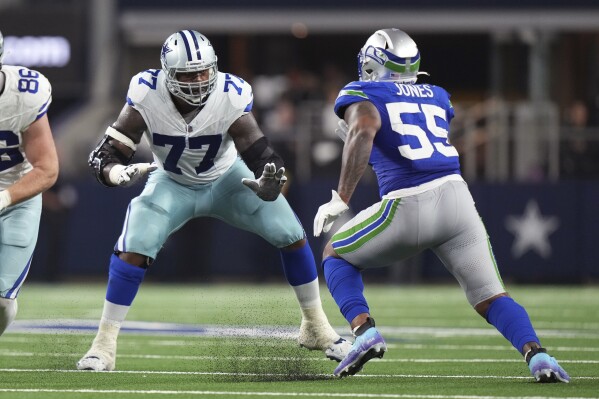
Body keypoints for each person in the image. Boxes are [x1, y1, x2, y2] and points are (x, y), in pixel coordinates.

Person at [77, 30, 350, 371]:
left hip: (226, 179)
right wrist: (115, 173)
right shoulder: (146, 92)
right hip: (171, 182)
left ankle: (316, 327)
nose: (198, 81)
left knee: (292, 235)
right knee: (134, 244)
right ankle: (103, 345)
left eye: (204, 71)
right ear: (167, 74)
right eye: (188, 74)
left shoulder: (229, 93)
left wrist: (271, 180)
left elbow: (259, 150)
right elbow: (105, 154)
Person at [313, 28, 570, 382]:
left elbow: (367, 127)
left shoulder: (362, 91)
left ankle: (364, 332)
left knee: (334, 254)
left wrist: (341, 196)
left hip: (410, 202)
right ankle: (538, 356)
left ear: (373, 65)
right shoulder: (438, 95)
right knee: (491, 296)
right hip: (458, 199)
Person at [0, 30, 59, 336]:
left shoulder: (24, 93)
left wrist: (4, 199)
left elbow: (47, 169)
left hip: (17, 197)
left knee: (1, 302)